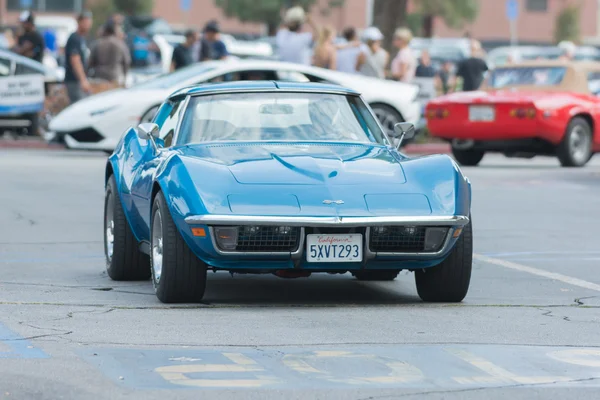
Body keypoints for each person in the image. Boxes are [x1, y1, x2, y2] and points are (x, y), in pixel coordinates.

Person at [87, 20, 131, 85]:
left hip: (99, 78)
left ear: (105, 31)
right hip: (116, 77)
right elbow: (127, 62)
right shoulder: (120, 44)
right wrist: (125, 77)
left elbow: (89, 63)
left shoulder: (97, 44)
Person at [64, 11, 93, 104]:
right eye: (85, 21)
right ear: (79, 22)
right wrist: (83, 80)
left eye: (89, 22)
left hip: (78, 81)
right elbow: (75, 60)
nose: (88, 24)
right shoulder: (74, 38)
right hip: (74, 81)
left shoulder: (81, 38)